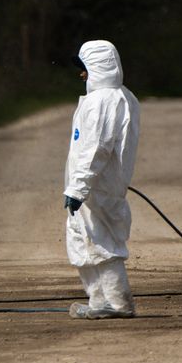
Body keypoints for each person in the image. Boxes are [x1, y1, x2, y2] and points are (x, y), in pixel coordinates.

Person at [64, 40, 141, 320]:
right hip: (96, 186)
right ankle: (99, 301)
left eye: (84, 68)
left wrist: (78, 186)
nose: (81, 74)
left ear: (97, 67)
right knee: (84, 241)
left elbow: (97, 148)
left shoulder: (103, 101)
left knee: (102, 243)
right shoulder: (118, 97)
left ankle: (118, 303)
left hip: (97, 187)